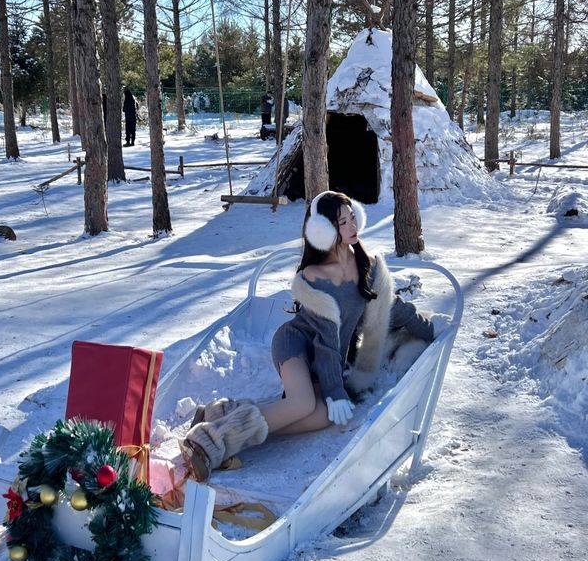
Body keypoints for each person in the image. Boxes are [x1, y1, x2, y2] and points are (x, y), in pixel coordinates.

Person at [179, 190, 450, 483]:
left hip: (325, 358)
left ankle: (222, 413)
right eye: (342, 223)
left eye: (351, 219)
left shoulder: (366, 266)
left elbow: (392, 308)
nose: (352, 227)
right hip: (296, 345)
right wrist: (334, 391)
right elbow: (325, 341)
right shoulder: (313, 277)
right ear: (323, 231)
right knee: (303, 404)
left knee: (323, 416)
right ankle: (210, 441)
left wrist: (431, 328)